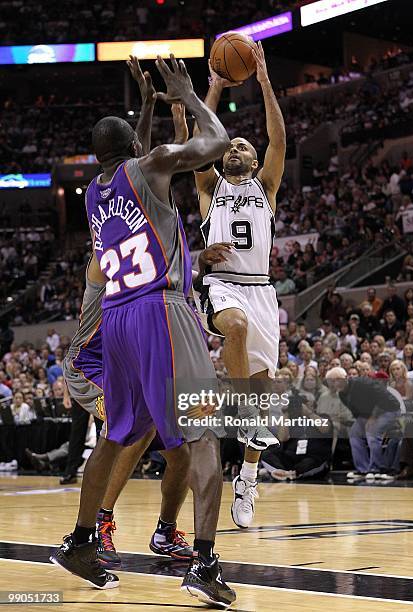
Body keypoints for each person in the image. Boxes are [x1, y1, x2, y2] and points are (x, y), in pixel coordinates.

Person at [50, 54, 235, 609]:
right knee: (203, 434)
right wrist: (188, 95)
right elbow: (217, 142)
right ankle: (203, 562)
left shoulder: (95, 191)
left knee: (116, 437)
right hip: (161, 310)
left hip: (118, 317)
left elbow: (138, 161)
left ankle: (82, 541)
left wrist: (149, 107)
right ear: (135, 145)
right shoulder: (148, 167)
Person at [192, 42, 285, 529]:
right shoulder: (209, 190)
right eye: (230, 145)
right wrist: (215, 86)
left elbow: (278, 141)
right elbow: (203, 139)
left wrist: (265, 81)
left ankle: (248, 478)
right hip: (223, 284)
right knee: (234, 325)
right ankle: (247, 417)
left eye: (243, 146)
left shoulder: (266, 188)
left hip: (263, 288)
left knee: (265, 387)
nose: (236, 148)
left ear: (253, 160)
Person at [326, 367, 401, 480]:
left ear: (346, 378)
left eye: (337, 379)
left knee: (372, 431)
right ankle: (363, 469)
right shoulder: (342, 394)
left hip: (389, 408)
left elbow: (383, 397)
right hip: (368, 414)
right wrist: (364, 421)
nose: (335, 383)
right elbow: (357, 412)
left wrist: (372, 417)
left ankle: (377, 468)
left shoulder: (362, 383)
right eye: (332, 381)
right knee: (354, 433)